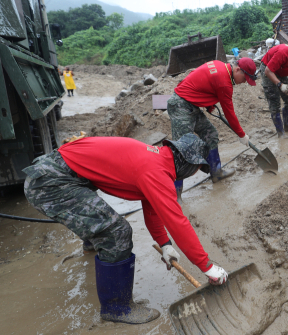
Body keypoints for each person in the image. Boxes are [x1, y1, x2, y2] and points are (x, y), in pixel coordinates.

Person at [23, 133, 229, 324]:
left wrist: (165, 244)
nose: (194, 174)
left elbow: (152, 209)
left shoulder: (156, 158)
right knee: (116, 232)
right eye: (196, 170)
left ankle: (92, 246)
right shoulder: (156, 172)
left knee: (99, 218)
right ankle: (116, 308)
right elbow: (178, 223)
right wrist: (207, 266)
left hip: (57, 170)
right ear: (188, 164)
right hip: (50, 183)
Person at [168, 57, 257, 200]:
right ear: (238, 69)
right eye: (245, 78)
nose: (244, 82)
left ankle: (216, 173)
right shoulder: (225, 83)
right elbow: (229, 113)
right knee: (182, 149)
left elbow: (199, 82)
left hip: (190, 104)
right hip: (181, 106)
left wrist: (208, 104)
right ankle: (175, 194)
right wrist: (241, 135)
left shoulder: (219, 65)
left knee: (211, 134)